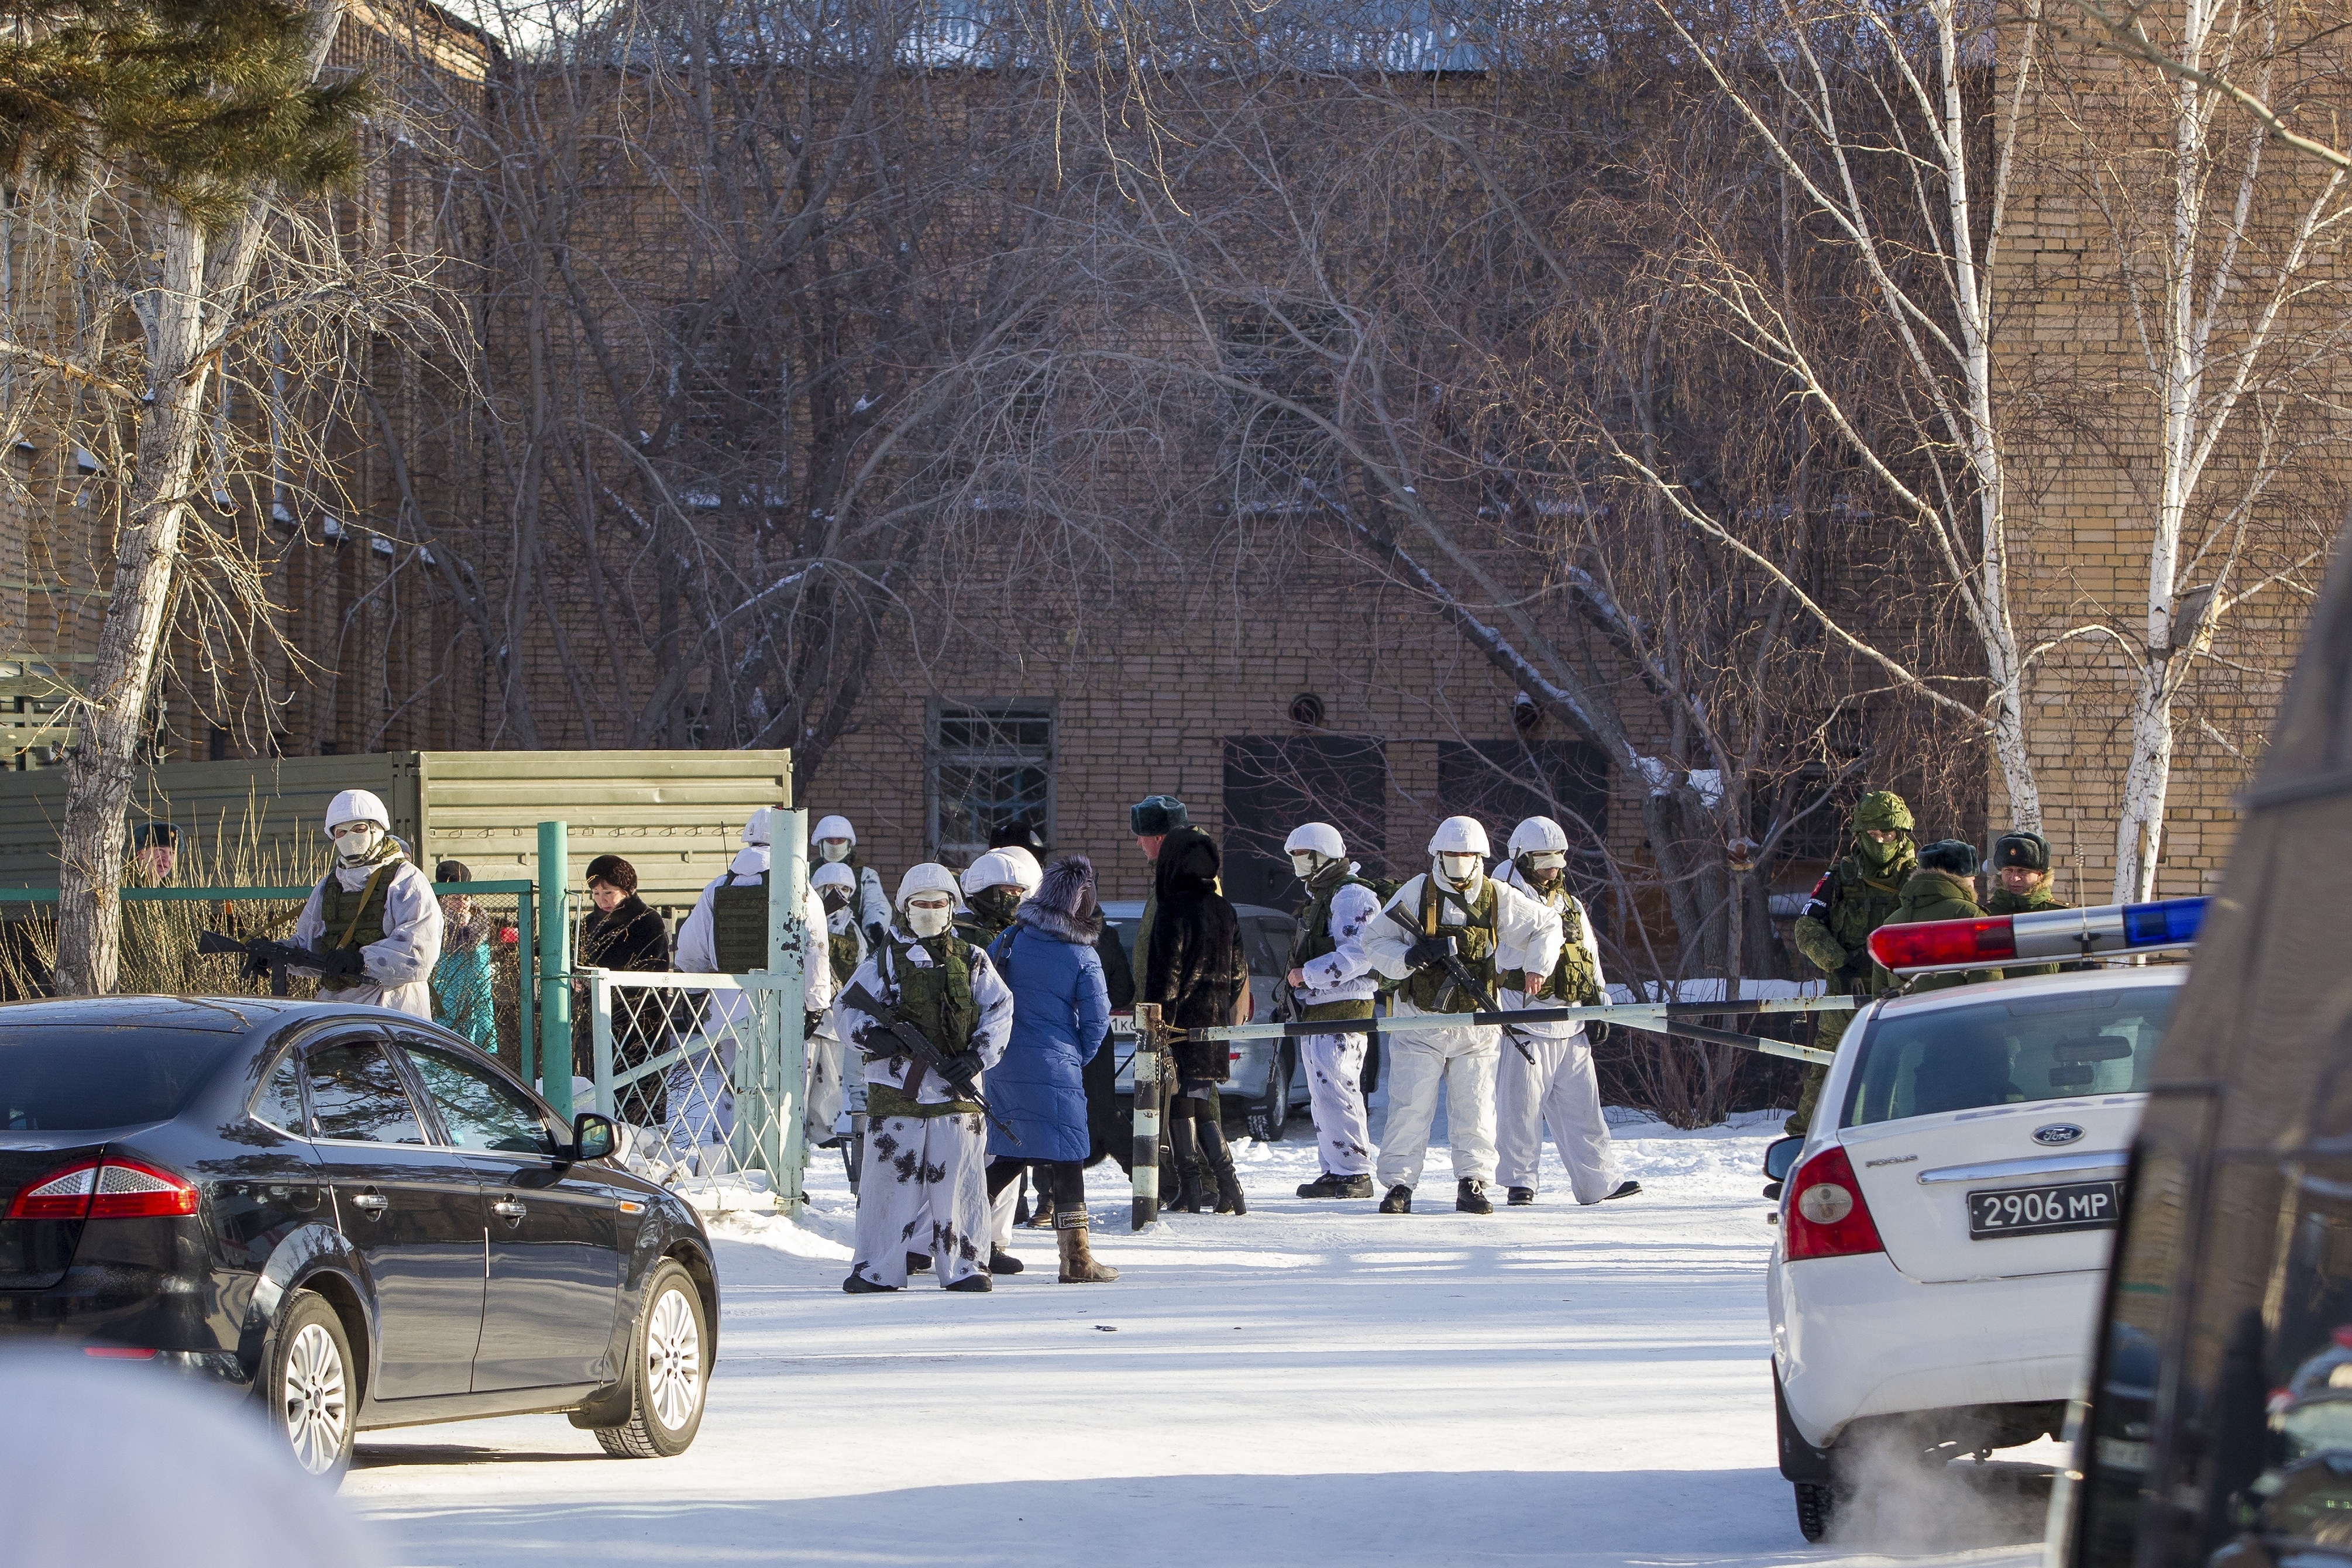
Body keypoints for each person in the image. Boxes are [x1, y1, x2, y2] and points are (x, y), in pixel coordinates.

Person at [1360, 816, 1562, 1216]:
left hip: (1476, 1026)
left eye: (1466, 855)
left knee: (1476, 1107)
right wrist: (1407, 957)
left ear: (1479, 857)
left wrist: (1538, 966)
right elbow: (1374, 939)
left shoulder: (1495, 896)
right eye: (1451, 854)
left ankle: (1473, 1182)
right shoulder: (1418, 891)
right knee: (1409, 1106)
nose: (1458, 861)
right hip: (1420, 1020)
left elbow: (1547, 924)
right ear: (1438, 854)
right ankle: (1400, 1184)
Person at [837, 864, 1015, 1293]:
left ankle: (967, 1266)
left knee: (961, 1184)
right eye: (922, 904)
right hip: (895, 1089)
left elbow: (1000, 1010)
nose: (931, 911)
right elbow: (846, 1009)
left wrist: (976, 1057)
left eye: (940, 904)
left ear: (953, 908)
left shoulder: (973, 958)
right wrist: (872, 1035)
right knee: (887, 1187)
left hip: (956, 1093)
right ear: (905, 908)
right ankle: (876, 1269)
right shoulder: (883, 959)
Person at [670, 808, 835, 1174]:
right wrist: (815, 1005)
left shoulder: (717, 887)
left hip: (726, 1004)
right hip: (781, 1004)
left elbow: (690, 952)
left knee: (733, 1090)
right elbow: (815, 949)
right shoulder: (797, 886)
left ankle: (736, 1169)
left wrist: (697, 998)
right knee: (785, 1090)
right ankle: (784, 1172)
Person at [984, 855, 1119, 1282]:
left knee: (1008, 1153)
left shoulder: (1006, 940)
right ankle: (1076, 1260)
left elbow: (981, 994)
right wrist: (1073, 1055)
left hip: (1001, 1063)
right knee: (1068, 1158)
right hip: (1056, 1064)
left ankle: (956, 1233)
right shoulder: (1082, 955)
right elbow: (1098, 1021)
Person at [1493, 818, 1639, 1206]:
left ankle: (1598, 1183)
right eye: (1544, 861)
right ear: (1522, 860)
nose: (1553, 869)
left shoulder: (1569, 903)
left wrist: (1600, 1001)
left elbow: (1589, 955)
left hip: (1571, 1021)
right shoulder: (1504, 900)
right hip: (1525, 1021)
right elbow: (1501, 957)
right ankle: (1520, 1182)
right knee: (1520, 1108)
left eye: (1558, 860)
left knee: (1584, 1110)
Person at [1786, 790, 1917, 1134]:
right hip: (1845, 994)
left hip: (1901, 994)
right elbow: (1806, 926)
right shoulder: (1839, 878)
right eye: (1872, 834)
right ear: (1859, 835)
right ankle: (1800, 1149)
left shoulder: (1919, 883)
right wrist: (1840, 964)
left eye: (1887, 834)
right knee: (1827, 1071)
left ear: (1901, 835)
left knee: (1904, 1073)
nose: (1881, 841)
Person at [1146, 824, 1251, 1215]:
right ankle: (1229, 1187)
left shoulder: (1173, 908)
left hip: (1177, 1025)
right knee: (1198, 1102)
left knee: (1180, 1104)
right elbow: (1239, 971)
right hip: (1213, 1023)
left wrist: (1157, 1024)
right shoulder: (1224, 908)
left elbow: (1166, 975)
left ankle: (1193, 1187)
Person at [1281, 821, 1382, 1199]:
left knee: (1340, 1087)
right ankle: (1336, 1168)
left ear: (1322, 857)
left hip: (1344, 1011)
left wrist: (1307, 974)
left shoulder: (1352, 898)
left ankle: (1356, 1171)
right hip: (1318, 1011)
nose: (1297, 864)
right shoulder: (1322, 897)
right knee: (1322, 1092)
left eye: (1302, 857)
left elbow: (1360, 954)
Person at [290, 789, 442, 1019]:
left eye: (359, 829)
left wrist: (361, 960)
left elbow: (419, 951)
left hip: (394, 1008)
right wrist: (280, 957)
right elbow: (309, 947)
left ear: (377, 829)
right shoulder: (329, 886)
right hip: (338, 1011)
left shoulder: (405, 880)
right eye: (341, 832)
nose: (350, 837)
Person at [576, 855, 672, 1126]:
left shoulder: (647, 921)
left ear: (626, 890)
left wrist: (600, 977)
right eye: (596, 893)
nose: (602, 899)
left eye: (609, 892)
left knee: (641, 1088)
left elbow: (650, 968)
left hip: (641, 1020)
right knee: (601, 1088)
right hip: (597, 1020)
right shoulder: (587, 925)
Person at [1878, 839, 2003, 992]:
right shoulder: (1969, 915)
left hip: (1904, 1014)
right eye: (1972, 879)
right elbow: (1987, 980)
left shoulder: (1892, 923)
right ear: (1962, 880)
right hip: (1955, 1013)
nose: (1974, 885)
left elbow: (1880, 990)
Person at [810, 861, 868, 1151]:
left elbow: (861, 966)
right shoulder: (807, 921)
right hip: (808, 1009)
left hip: (838, 1011)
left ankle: (823, 1129)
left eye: (845, 889)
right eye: (832, 889)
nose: (839, 894)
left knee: (831, 1077)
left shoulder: (853, 930)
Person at [429, 859, 500, 1057]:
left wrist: (490, 1049)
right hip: (445, 1022)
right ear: (441, 899)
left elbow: (484, 1000)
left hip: (476, 1021)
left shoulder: (481, 932)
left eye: (467, 897)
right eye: (455, 898)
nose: (462, 904)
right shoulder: (435, 930)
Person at [1985, 830, 2071, 978]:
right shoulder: (1986, 914)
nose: (2015, 878)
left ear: (2040, 875)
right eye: (2008, 871)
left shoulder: (2060, 916)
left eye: (2023, 871)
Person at [810, 814, 892, 945]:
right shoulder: (806, 872)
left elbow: (875, 905)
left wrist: (876, 929)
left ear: (848, 843)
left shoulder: (866, 875)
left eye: (840, 840)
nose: (835, 844)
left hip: (854, 945)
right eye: (830, 841)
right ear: (821, 843)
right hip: (813, 939)